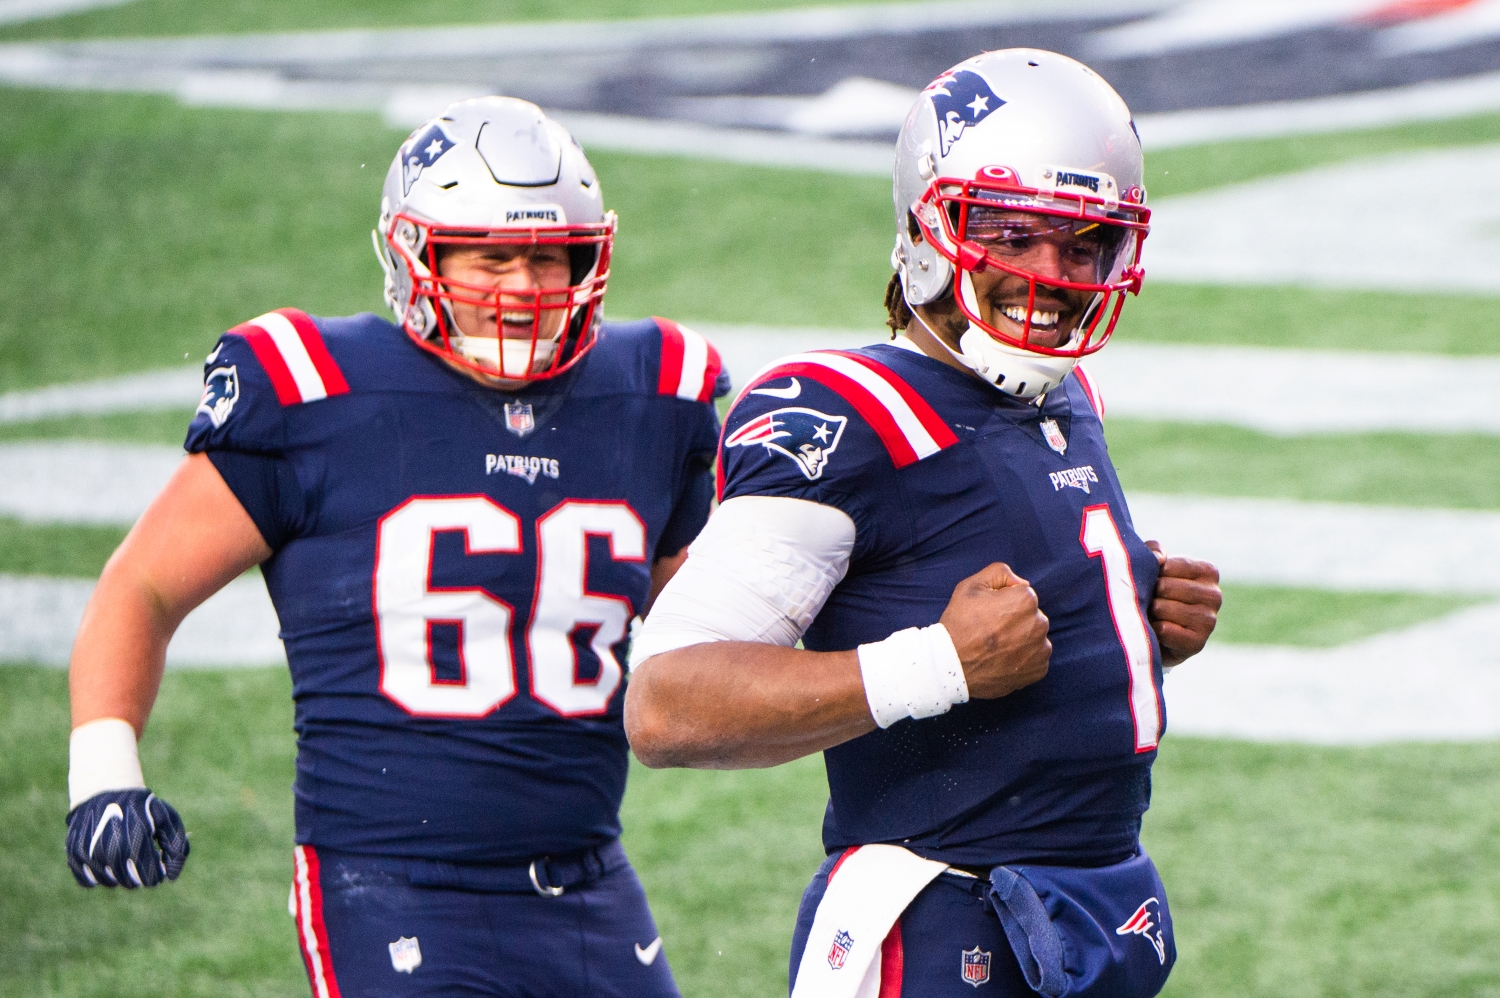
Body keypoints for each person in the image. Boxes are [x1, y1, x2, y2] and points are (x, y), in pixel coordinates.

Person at [63, 96, 727, 997]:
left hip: (588, 879)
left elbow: (713, 619)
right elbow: (142, 586)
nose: (525, 286)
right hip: (387, 884)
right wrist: (104, 771)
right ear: (417, 251)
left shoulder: (655, 396)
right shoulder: (312, 392)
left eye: (547, 256)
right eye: (491, 256)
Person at [625, 50, 1222, 997]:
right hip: (939, 922)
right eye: (1016, 236)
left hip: (1088, 911)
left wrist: (1130, 628)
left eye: (1084, 245)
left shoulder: (1068, 399)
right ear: (929, 228)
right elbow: (666, 704)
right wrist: (938, 663)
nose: (1054, 274)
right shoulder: (846, 409)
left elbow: (994, 608)